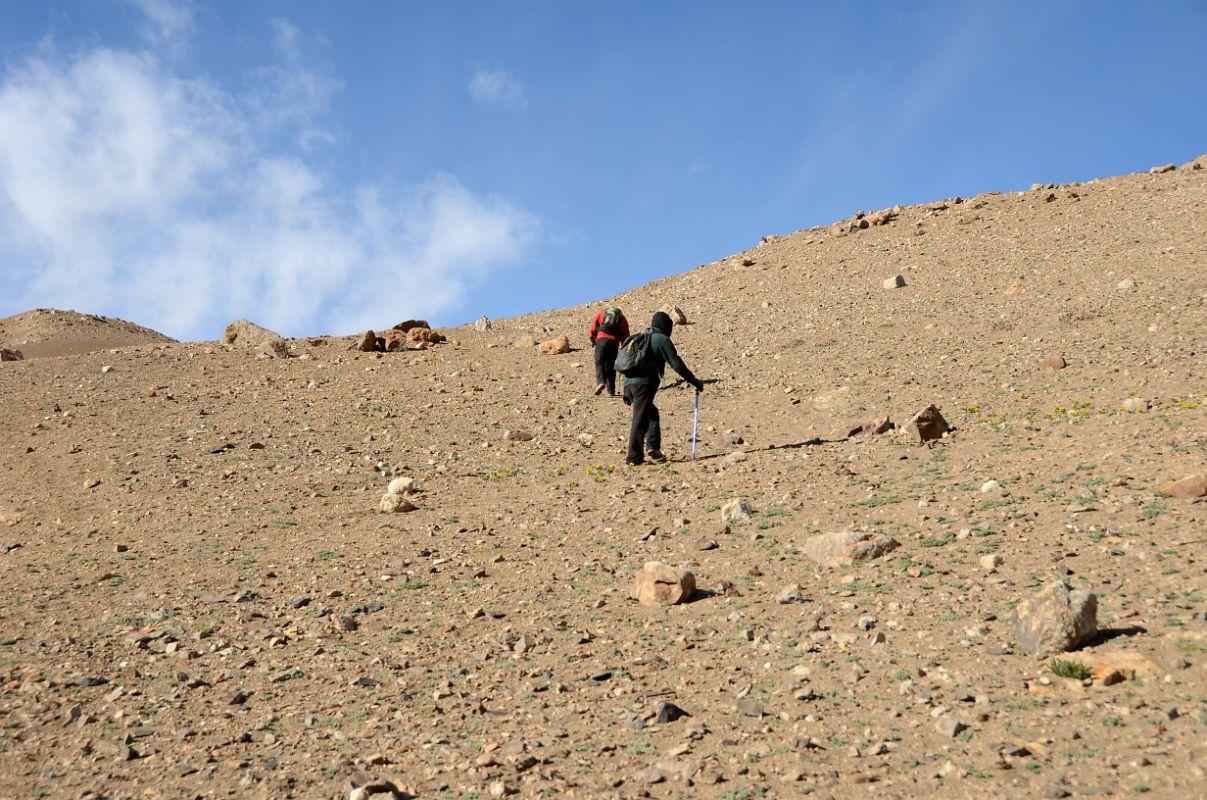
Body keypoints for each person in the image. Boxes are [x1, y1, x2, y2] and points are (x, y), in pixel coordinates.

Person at [622, 310, 704, 465]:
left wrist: (626, 389)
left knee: (651, 413)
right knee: (639, 419)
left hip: (629, 384)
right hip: (643, 385)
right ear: (666, 326)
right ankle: (634, 457)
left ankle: (653, 447)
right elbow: (677, 364)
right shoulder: (661, 339)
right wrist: (694, 381)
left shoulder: (641, 337)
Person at [588, 306, 630, 396]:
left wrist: (592, 339)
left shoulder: (601, 313)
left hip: (601, 339)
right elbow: (626, 333)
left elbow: (593, 327)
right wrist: (624, 347)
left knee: (599, 362)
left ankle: (600, 382)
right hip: (614, 342)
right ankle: (611, 390)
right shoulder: (622, 317)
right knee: (610, 366)